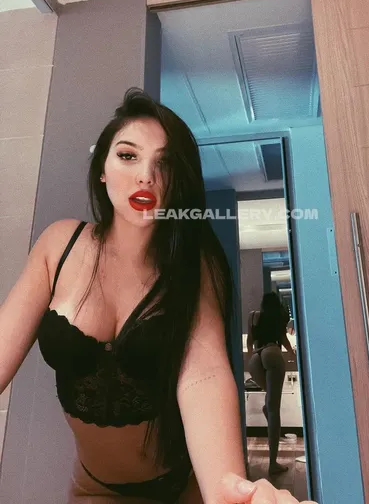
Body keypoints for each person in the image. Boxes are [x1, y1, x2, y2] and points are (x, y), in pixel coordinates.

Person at [0, 88, 317, 504]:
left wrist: (227, 492)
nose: (146, 175)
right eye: (128, 155)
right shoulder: (59, 245)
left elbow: (204, 374)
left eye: (164, 164)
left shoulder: (193, 265)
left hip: (182, 487)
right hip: (93, 488)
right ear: (102, 170)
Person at [247, 292, 296, 476]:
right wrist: (292, 353)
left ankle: (267, 411)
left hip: (255, 358)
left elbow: (249, 340)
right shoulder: (278, 316)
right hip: (272, 353)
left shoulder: (253, 315)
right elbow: (283, 339)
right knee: (274, 408)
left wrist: (251, 356)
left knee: (270, 399)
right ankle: (273, 463)